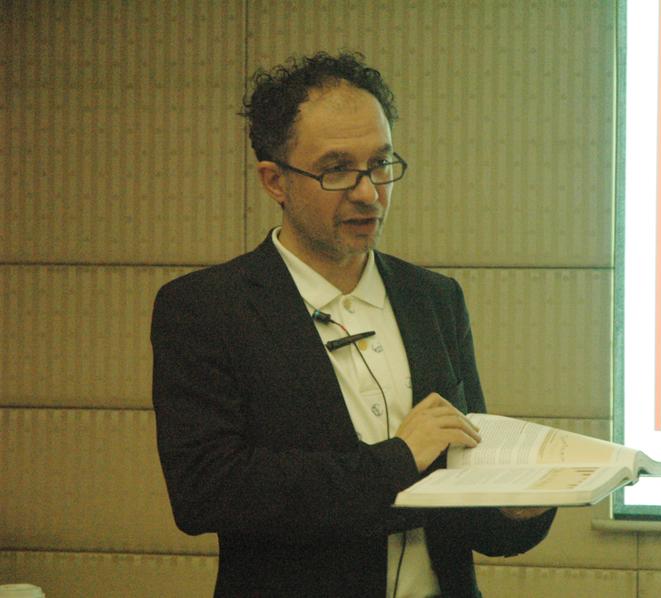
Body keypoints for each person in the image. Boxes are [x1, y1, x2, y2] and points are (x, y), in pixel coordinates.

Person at [151, 51, 555, 597]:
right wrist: (397, 461)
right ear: (274, 181)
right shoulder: (207, 308)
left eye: (381, 164)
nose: (368, 193)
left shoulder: (433, 299)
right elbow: (207, 492)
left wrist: (515, 507)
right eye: (337, 170)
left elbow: (465, 507)